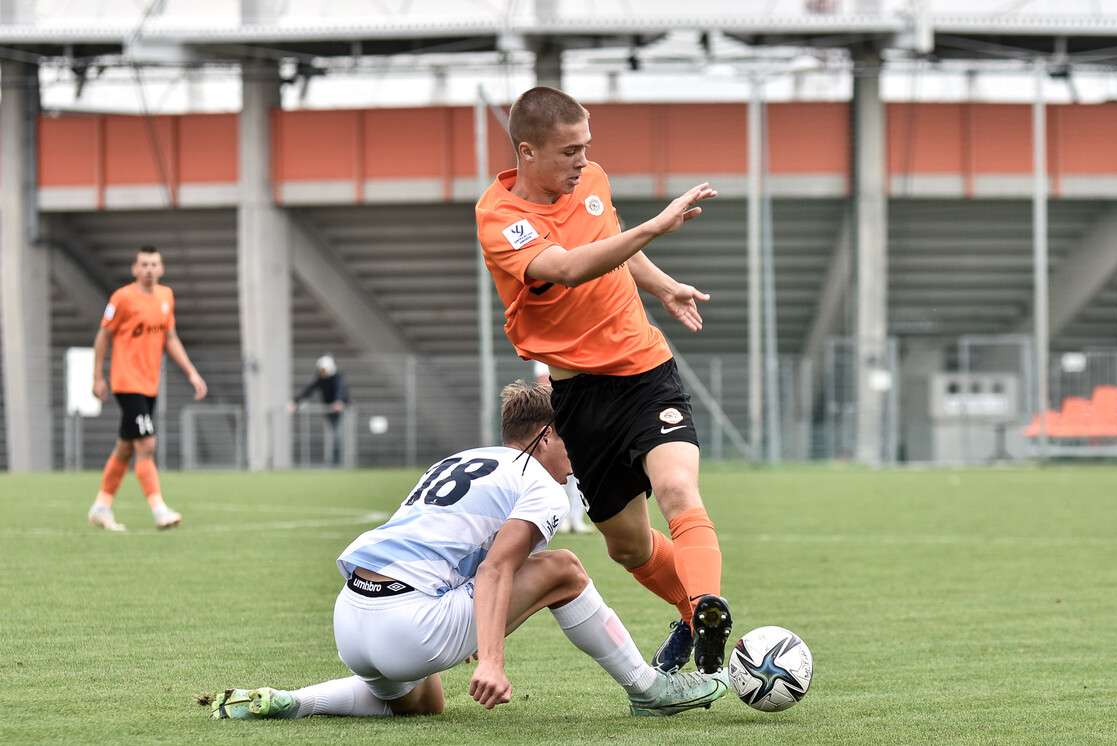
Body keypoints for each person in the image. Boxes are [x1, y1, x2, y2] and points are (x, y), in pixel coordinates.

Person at [209, 380, 729, 720]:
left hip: (352, 616)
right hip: (409, 624)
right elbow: (498, 570)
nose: (579, 456)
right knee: (565, 569)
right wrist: (493, 662)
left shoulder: (462, 459)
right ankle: (647, 689)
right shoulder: (539, 484)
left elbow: (462, 554)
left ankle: (293, 702)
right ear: (544, 436)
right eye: (571, 441)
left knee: (425, 701)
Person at [475, 86, 732, 675]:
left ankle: (709, 607)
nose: (583, 162)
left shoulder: (591, 182)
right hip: (581, 398)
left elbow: (608, 243)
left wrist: (662, 284)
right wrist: (654, 228)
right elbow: (566, 267)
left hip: (646, 373)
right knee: (628, 547)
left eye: (587, 148)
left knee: (677, 492)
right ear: (528, 153)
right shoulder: (501, 218)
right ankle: (694, 613)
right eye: (569, 152)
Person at [87, 245, 208, 532]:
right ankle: (159, 511)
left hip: (150, 384)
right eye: (144, 264)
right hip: (126, 383)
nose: (149, 269)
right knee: (147, 444)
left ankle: (101, 507)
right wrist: (97, 377)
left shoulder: (166, 297)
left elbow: (171, 338)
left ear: (162, 269)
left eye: (154, 264)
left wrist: (191, 372)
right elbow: (103, 335)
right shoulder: (123, 299)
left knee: (126, 448)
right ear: (135, 269)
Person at [533, 360, 592, 533]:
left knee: (580, 467)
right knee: (560, 465)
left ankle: (576, 519)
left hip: (581, 413)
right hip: (559, 415)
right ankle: (561, 518)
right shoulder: (545, 353)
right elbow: (544, 383)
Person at [288, 354, 349, 466]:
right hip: (329, 411)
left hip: (340, 412)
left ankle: (338, 462)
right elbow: (309, 390)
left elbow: (340, 390)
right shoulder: (321, 379)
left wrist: (338, 401)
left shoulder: (337, 377)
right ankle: (333, 462)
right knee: (334, 436)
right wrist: (296, 402)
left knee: (338, 436)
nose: (323, 372)